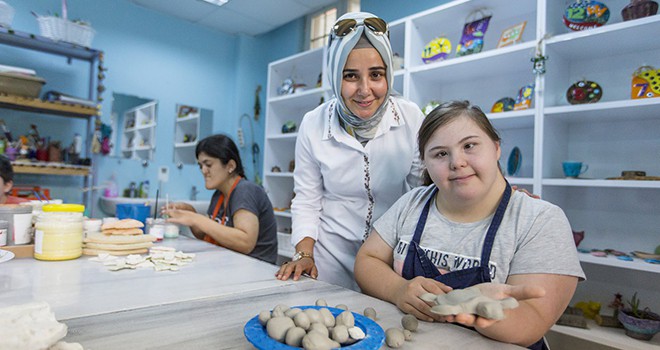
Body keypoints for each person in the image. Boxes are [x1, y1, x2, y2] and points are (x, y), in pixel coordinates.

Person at [354, 101, 585, 349]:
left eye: (469, 146)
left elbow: (533, 322)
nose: (457, 162)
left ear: (496, 148)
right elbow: (368, 259)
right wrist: (398, 289)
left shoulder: (539, 220)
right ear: (426, 164)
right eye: (441, 153)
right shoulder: (412, 203)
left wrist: (478, 309)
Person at [275, 12, 426, 290]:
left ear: (388, 75)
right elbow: (307, 199)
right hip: (328, 258)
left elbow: (425, 192)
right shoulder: (313, 123)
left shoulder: (410, 117)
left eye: (376, 75)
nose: (365, 90)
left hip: (389, 258)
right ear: (335, 75)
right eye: (350, 76)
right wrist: (304, 254)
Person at [164, 134, 278, 264]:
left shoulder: (245, 191)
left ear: (230, 166)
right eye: (200, 166)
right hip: (230, 263)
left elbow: (245, 243)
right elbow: (208, 235)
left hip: (256, 269)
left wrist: (196, 219)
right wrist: (191, 214)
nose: (203, 171)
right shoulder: (219, 194)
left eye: (208, 164)